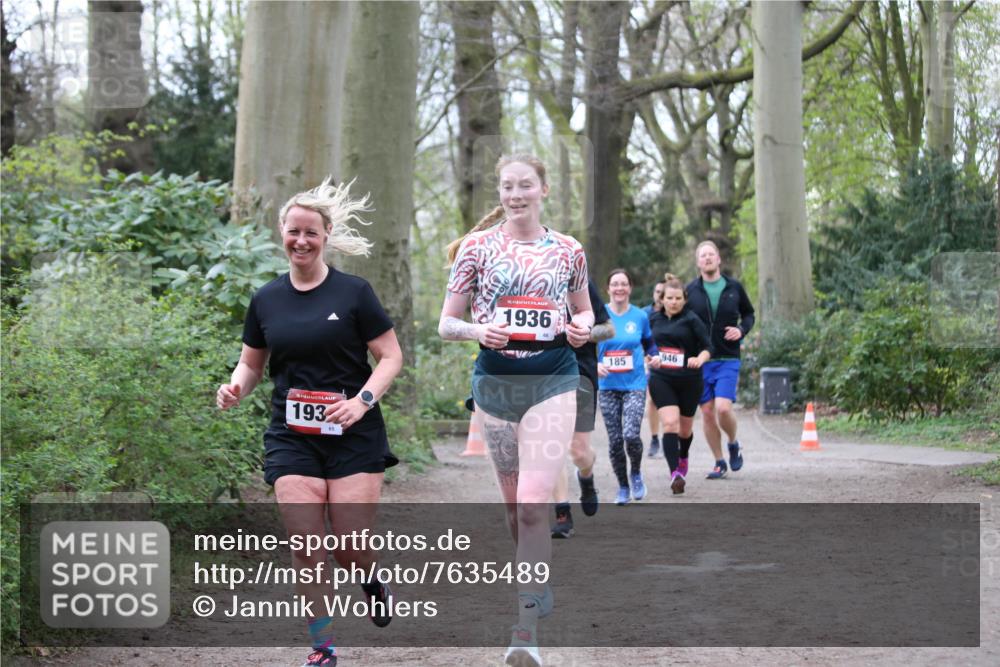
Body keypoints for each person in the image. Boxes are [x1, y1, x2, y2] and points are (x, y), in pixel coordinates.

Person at [216, 178, 403, 667]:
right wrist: (235, 385)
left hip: (353, 435)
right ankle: (322, 648)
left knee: (349, 545)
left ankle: (368, 575)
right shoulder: (266, 299)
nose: (301, 241)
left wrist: (361, 401)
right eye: (293, 231)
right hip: (292, 436)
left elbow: (390, 357)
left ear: (326, 235)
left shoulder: (354, 293)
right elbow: (252, 364)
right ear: (282, 232)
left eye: (311, 233)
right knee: (305, 546)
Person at [438, 153, 594, 667]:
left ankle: (523, 629)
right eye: (507, 186)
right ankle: (537, 579)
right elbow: (447, 323)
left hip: (553, 380)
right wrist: (479, 330)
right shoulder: (477, 249)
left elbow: (584, 310)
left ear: (543, 190)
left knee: (532, 505)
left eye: (525, 185)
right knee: (513, 511)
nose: (515, 194)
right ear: (500, 193)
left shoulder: (569, 250)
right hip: (497, 387)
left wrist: (580, 328)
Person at [685, 241, 755, 479]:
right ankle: (718, 461)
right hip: (700, 359)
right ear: (698, 262)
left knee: (723, 408)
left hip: (727, 356)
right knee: (706, 412)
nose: (707, 258)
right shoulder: (690, 290)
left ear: (718, 259)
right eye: (702, 255)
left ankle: (733, 442)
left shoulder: (734, 287)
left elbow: (749, 314)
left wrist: (741, 330)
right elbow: (679, 319)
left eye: (711, 254)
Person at [550, 276, 613, 539]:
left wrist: (584, 334)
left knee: (578, 451)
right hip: (546, 373)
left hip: (582, 373)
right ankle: (562, 512)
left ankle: (586, 476)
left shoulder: (579, 286)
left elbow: (608, 329)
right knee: (551, 446)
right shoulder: (530, 285)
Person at [646, 274, 712, 494]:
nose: (673, 302)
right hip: (661, 378)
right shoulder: (653, 320)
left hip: (689, 380)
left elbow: (707, 347)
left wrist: (699, 359)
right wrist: (648, 357)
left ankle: (683, 456)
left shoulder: (692, 319)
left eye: (677, 298)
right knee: (670, 425)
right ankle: (675, 474)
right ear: (661, 299)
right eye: (669, 298)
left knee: (685, 430)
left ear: (684, 299)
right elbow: (643, 345)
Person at [596, 269, 656, 505]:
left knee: (631, 435)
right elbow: (583, 348)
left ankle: (636, 474)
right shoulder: (599, 315)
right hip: (607, 385)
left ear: (630, 288)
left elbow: (649, 343)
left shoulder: (639, 316)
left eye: (623, 284)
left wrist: (655, 355)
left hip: (634, 384)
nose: (619, 288)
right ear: (608, 289)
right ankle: (622, 486)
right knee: (614, 440)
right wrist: (595, 365)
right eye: (615, 284)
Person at [643, 282, 665, 457]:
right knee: (652, 399)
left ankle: (671, 435)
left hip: (673, 360)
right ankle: (655, 437)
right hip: (651, 360)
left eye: (663, 292)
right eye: (657, 292)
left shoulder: (677, 314)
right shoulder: (645, 314)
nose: (660, 295)